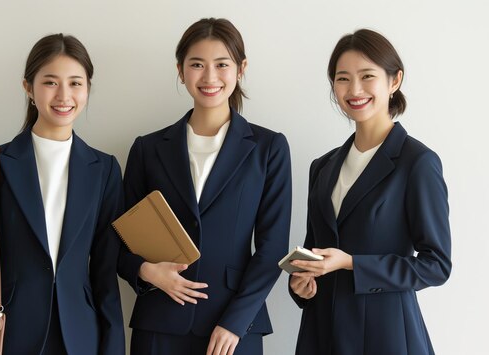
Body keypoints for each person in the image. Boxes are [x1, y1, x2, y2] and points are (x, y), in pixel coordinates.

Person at [117, 18, 292, 355]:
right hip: (159, 323)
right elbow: (121, 239)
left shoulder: (268, 148)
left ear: (241, 69)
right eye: (197, 64)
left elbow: (272, 249)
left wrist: (235, 322)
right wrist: (146, 271)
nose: (210, 77)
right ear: (181, 71)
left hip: (233, 329)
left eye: (222, 64)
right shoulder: (148, 148)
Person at [0, 34, 125, 355]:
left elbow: (105, 276)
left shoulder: (105, 170)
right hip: (8, 334)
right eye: (50, 83)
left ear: (87, 88)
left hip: (81, 338)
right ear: (28, 87)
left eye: (75, 83)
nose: (64, 96)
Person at [289, 28, 452, 355]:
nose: (355, 89)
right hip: (322, 334)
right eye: (343, 78)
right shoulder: (322, 167)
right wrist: (301, 285)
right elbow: (313, 251)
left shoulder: (417, 162)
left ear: (394, 81)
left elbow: (436, 265)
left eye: (367, 76)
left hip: (385, 334)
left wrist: (352, 264)